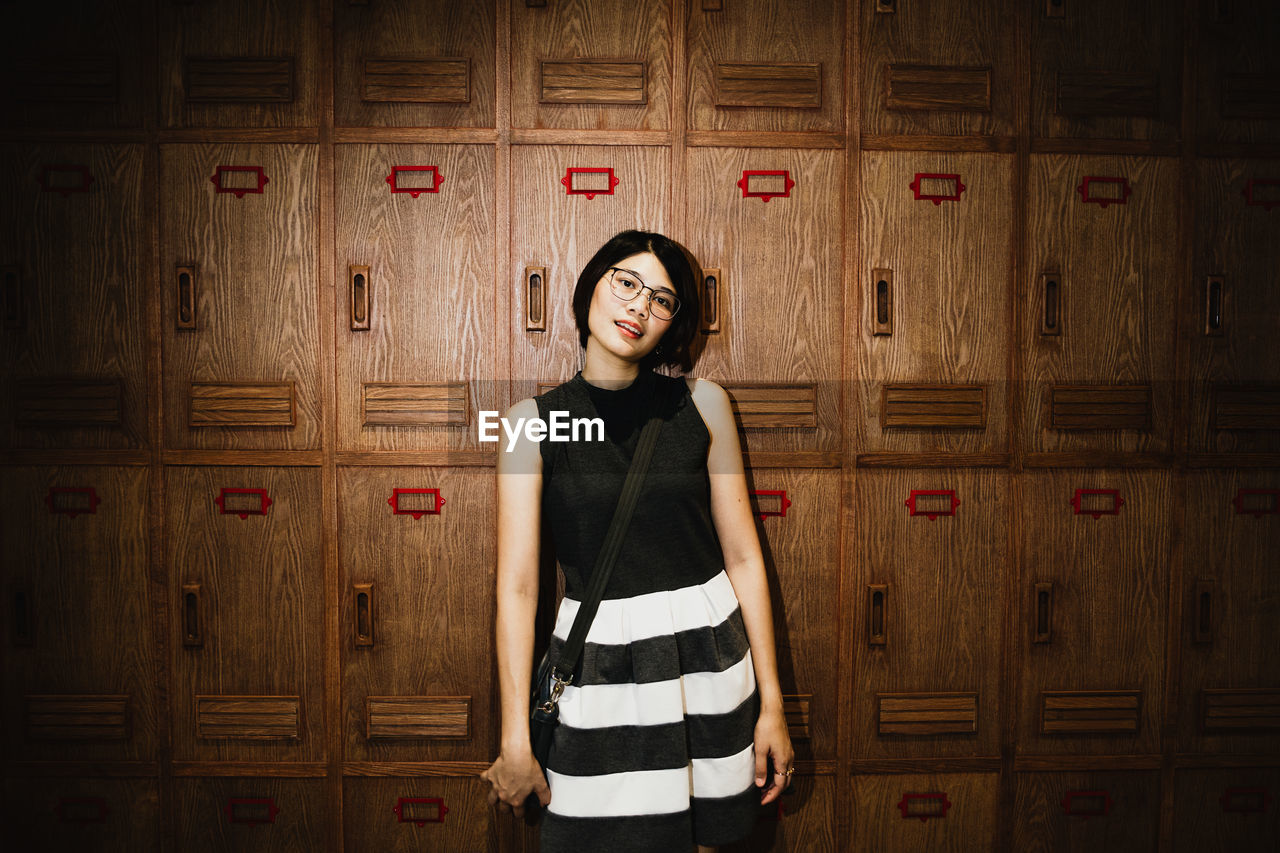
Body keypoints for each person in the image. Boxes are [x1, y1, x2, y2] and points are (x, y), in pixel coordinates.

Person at [480, 230, 794, 852]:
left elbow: (743, 558)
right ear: (590, 286)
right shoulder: (529, 425)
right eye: (626, 282)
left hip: (706, 664)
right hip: (599, 669)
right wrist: (515, 735)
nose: (639, 307)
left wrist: (773, 705)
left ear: (672, 323)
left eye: (662, 299)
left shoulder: (703, 405)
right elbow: (519, 587)